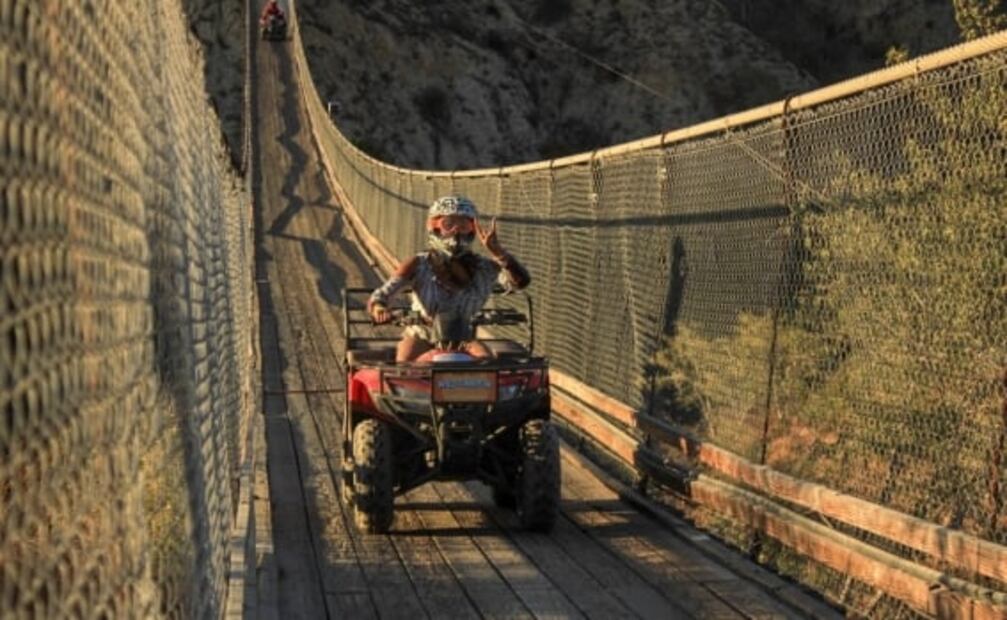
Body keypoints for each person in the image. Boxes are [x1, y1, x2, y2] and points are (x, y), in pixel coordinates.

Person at [368, 195, 531, 362]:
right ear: (434, 227)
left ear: (473, 229)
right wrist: (379, 308)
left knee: (486, 364)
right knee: (404, 365)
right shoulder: (419, 263)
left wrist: (499, 253)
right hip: (422, 334)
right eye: (448, 224)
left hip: (463, 339)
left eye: (464, 226)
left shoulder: (484, 267)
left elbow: (519, 282)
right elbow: (382, 294)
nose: (456, 231)